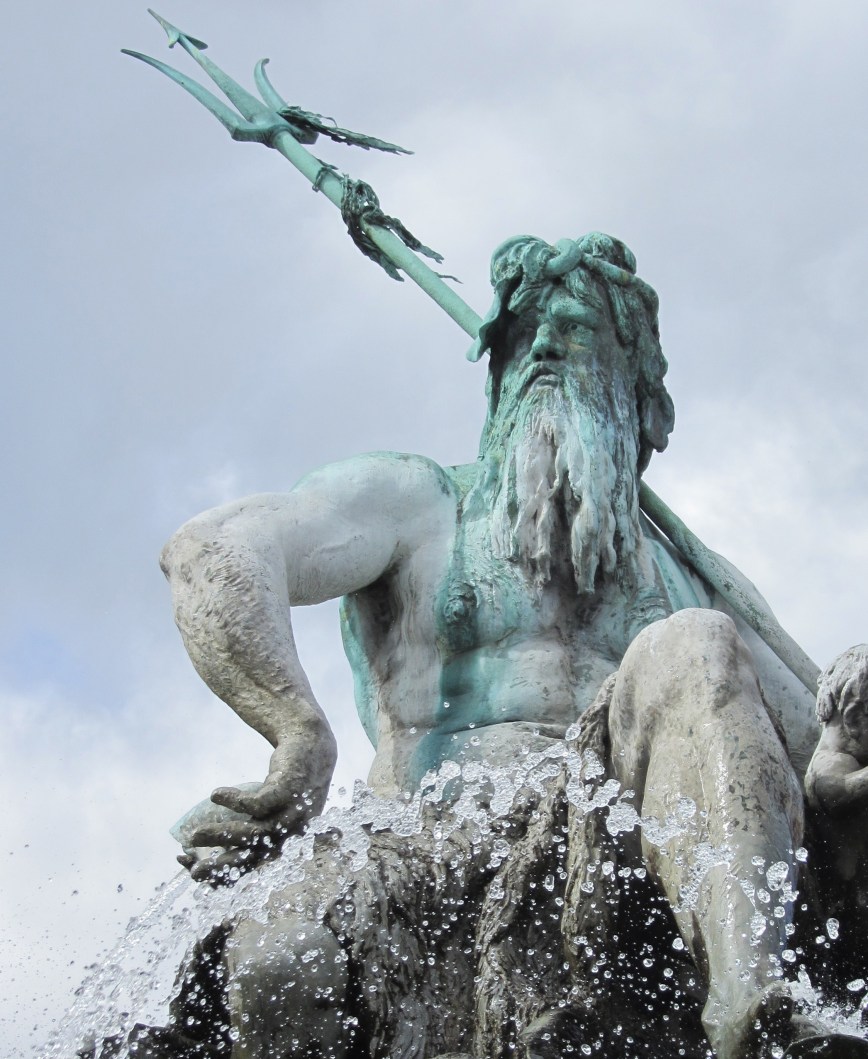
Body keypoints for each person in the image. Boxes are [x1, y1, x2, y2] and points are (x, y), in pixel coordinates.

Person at [159, 232, 832, 1059]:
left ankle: (749, 1009)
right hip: (423, 839)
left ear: (639, 392)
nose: (543, 345)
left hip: (609, 863)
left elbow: (819, 772)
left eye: (577, 328)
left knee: (692, 645)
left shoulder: (695, 588)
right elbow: (217, 547)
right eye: (519, 334)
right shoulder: (422, 501)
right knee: (277, 960)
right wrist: (292, 728)